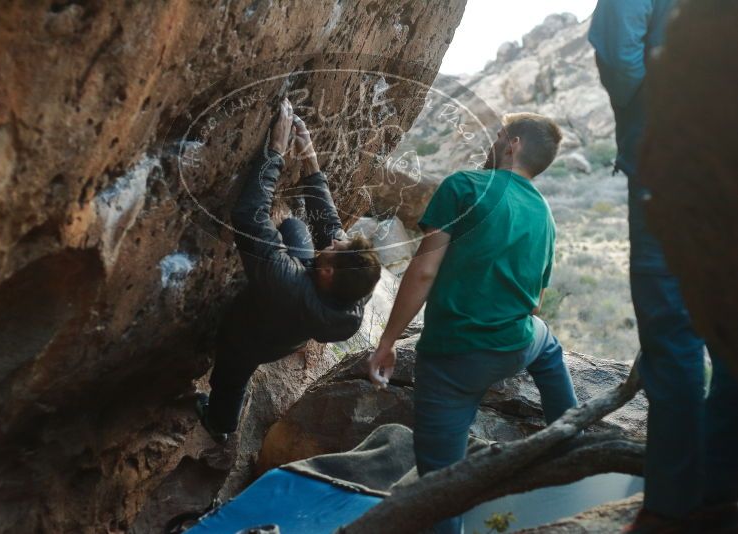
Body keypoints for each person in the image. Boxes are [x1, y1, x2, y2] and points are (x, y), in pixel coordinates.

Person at [368, 113, 579, 534]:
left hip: (453, 358)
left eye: (497, 135)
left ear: (513, 144)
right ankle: (570, 434)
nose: (492, 141)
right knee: (548, 345)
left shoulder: (464, 186)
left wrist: (387, 342)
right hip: (516, 345)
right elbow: (535, 304)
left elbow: (423, 272)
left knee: (441, 485)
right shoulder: (545, 214)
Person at [589, 1, 738, 532]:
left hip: (680, 163)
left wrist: (654, 117)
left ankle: (673, 506)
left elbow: (617, 51)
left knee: (673, 330)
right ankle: (720, 492)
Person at [197, 99, 382, 445]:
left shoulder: (289, 283)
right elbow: (328, 223)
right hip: (291, 329)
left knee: (232, 374)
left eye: (334, 249)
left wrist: (276, 152)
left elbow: (249, 214)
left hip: (252, 336)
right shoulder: (357, 287)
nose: (334, 240)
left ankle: (220, 424)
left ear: (325, 272)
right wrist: (309, 159)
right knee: (296, 226)